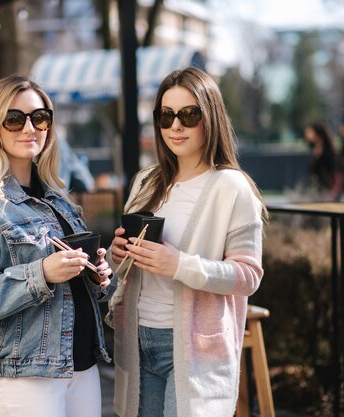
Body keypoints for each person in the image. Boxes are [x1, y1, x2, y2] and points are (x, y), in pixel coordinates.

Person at [0, 74, 114, 417]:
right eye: (14, 119)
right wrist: (41, 273)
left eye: (39, 117)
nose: (29, 128)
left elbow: (82, 289)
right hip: (24, 372)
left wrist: (99, 276)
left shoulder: (58, 198)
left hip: (81, 363)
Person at [107, 67, 266, 417]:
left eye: (188, 114)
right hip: (137, 338)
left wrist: (179, 265)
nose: (175, 126)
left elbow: (248, 276)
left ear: (210, 118)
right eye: (166, 116)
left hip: (194, 349)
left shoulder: (231, 187)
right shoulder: (145, 182)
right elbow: (128, 267)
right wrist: (119, 255)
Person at [303, 123, 341, 200]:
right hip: (315, 193)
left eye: (311, 132)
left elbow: (337, 175)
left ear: (318, 136)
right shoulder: (315, 153)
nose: (307, 135)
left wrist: (332, 194)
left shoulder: (328, 153)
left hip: (326, 195)